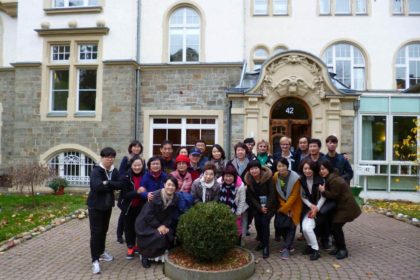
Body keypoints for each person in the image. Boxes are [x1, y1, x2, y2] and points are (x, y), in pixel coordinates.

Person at [87, 147, 123, 274]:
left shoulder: (114, 170)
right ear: (102, 157)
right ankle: (95, 260)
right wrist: (111, 184)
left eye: (112, 157)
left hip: (107, 206)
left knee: (104, 231)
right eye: (107, 157)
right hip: (95, 206)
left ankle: (101, 252)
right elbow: (96, 186)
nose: (110, 159)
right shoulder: (96, 171)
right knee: (96, 232)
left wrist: (107, 183)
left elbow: (121, 184)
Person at [318, 159, 361, 260]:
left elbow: (334, 196)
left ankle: (343, 249)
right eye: (320, 169)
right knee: (334, 227)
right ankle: (338, 247)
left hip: (346, 207)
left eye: (323, 169)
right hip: (342, 206)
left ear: (328, 168)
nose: (321, 171)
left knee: (336, 227)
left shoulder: (334, 180)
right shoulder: (331, 177)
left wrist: (323, 191)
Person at [135, 176, 180, 268]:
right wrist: (158, 226)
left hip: (161, 222)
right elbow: (148, 214)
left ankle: (160, 256)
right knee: (156, 235)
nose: (170, 187)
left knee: (168, 233)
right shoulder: (154, 195)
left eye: (173, 185)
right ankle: (145, 256)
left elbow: (170, 215)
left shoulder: (175, 198)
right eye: (169, 184)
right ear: (164, 185)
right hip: (146, 223)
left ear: (176, 188)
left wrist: (165, 225)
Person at [244, 160, 276, 259]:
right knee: (258, 222)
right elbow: (251, 197)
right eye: (251, 169)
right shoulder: (249, 180)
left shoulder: (268, 177)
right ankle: (262, 241)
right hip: (257, 206)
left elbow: (272, 194)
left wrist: (266, 207)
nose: (254, 171)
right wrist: (259, 207)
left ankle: (266, 246)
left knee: (265, 222)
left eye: (256, 168)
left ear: (260, 168)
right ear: (249, 171)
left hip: (269, 206)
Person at [273, 157, 302, 260]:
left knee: (291, 225)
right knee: (279, 225)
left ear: (287, 166)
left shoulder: (295, 178)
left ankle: (286, 248)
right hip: (282, 205)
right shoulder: (276, 176)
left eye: (283, 166)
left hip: (294, 205)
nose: (281, 168)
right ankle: (288, 244)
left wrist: (287, 208)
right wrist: (284, 208)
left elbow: (294, 196)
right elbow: (278, 194)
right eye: (279, 166)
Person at [117, 140, 144, 244]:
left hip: (138, 190)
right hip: (129, 187)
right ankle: (119, 235)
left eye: (138, 147)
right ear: (131, 148)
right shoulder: (126, 158)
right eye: (134, 147)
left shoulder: (142, 159)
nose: (136, 149)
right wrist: (127, 179)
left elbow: (143, 172)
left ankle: (133, 239)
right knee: (124, 215)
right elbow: (121, 173)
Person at [299, 159, 326, 261]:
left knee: (308, 228)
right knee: (304, 228)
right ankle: (310, 246)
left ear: (314, 169)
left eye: (310, 168)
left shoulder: (321, 180)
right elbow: (302, 196)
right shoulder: (301, 180)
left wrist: (317, 208)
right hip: (308, 209)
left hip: (320, 209)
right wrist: (311, 206)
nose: (307, 171)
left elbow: (324, 197)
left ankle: (316, 250)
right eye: (305, 168)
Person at [120, 155, 145, 260]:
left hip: (141, 206)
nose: (137, 167)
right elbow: (125, 195)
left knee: (140, 227)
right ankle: (130, 247)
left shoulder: (146, 175)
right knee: (129, 228)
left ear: (142, 165)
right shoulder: (126, 177)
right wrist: (137, 192)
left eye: (139, 165)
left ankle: (139, 247)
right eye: (135, 165)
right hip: (129, 206)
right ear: (131, 165)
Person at [218, 164, 248, 245]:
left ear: (234, 176)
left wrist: (238, 213)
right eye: (226, 176)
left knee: (237, 226)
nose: (228, 178)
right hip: (222, 208)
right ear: (223, 176)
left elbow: (242, 200)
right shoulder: (219, 182)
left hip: (236, 207)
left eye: (230, 176)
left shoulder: (240, 185)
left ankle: (238, 241)